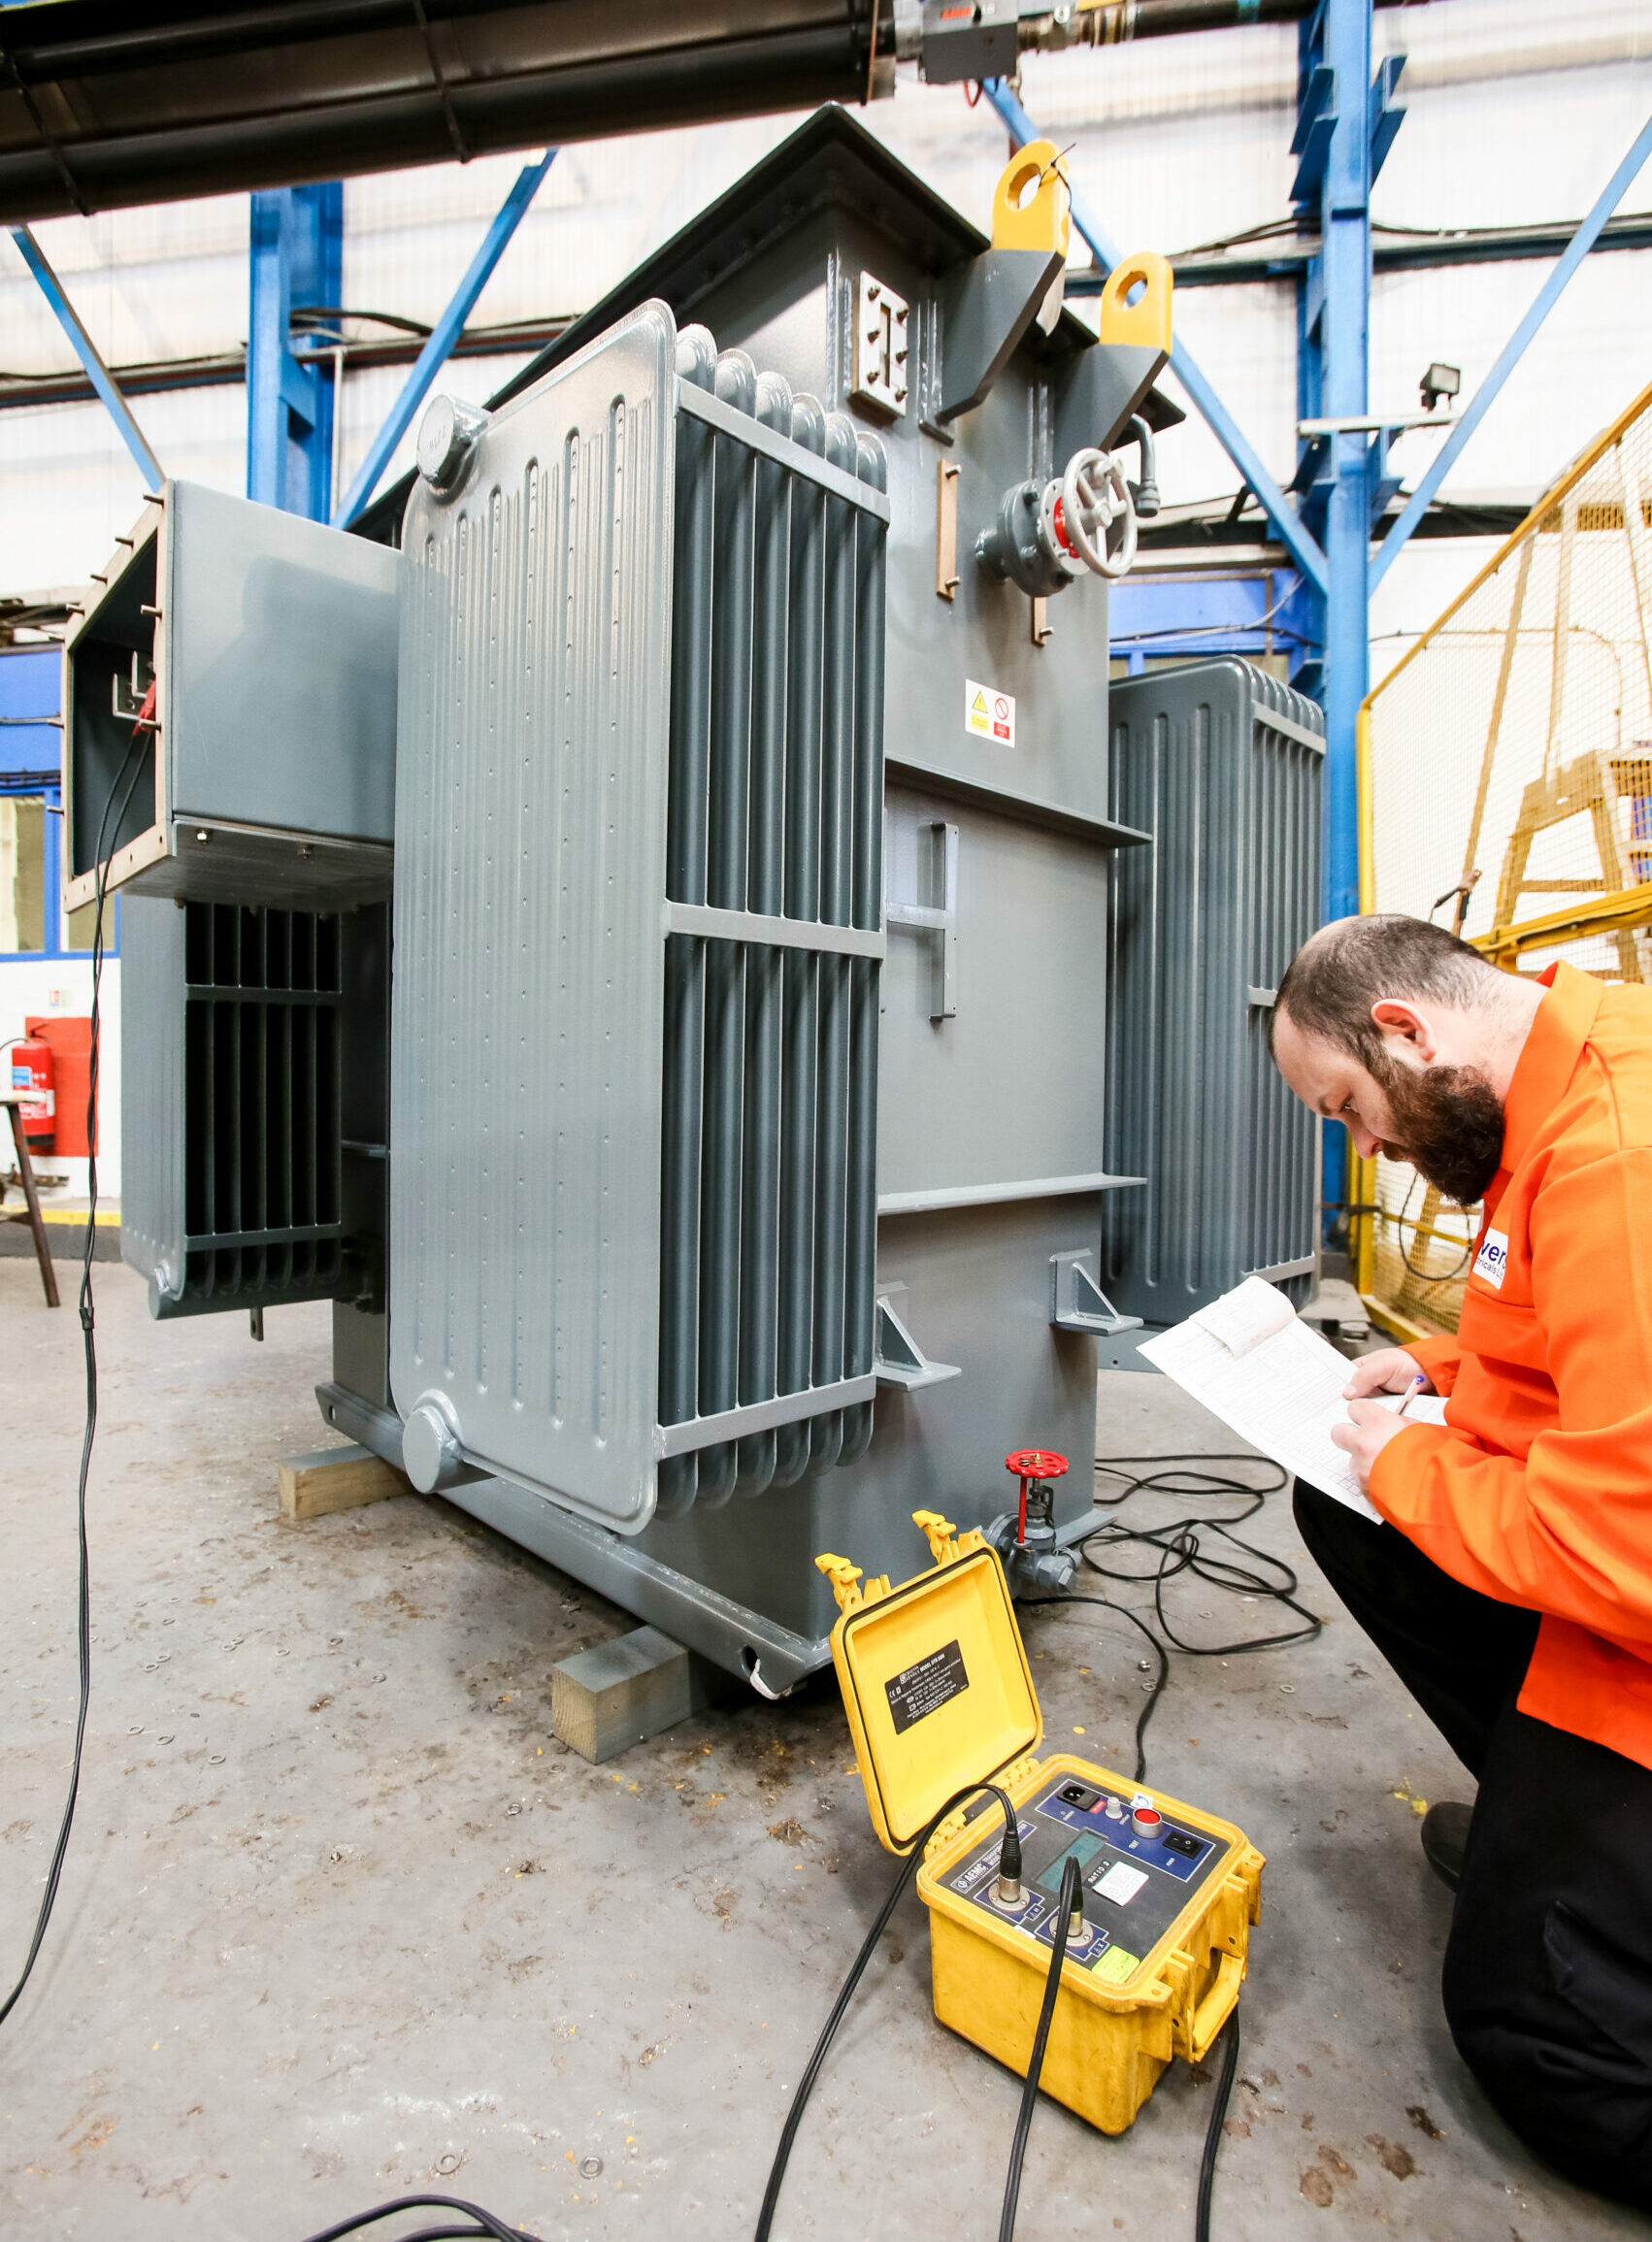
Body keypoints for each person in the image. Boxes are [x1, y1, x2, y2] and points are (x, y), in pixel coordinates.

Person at [1269, 913, 1652, 2210]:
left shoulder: (1614, 1153)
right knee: (1351, 1512)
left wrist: (1404, 1459)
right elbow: (1572, 1344)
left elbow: (1626, 1553)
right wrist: (1437, 1378)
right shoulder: (1557, 1066)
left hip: (1637, 1613)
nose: (1363, 1148)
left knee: (1533, 2027)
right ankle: (1550, 1831)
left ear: (1407, 1033)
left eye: (1350, 1109)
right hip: (1619, 1576)